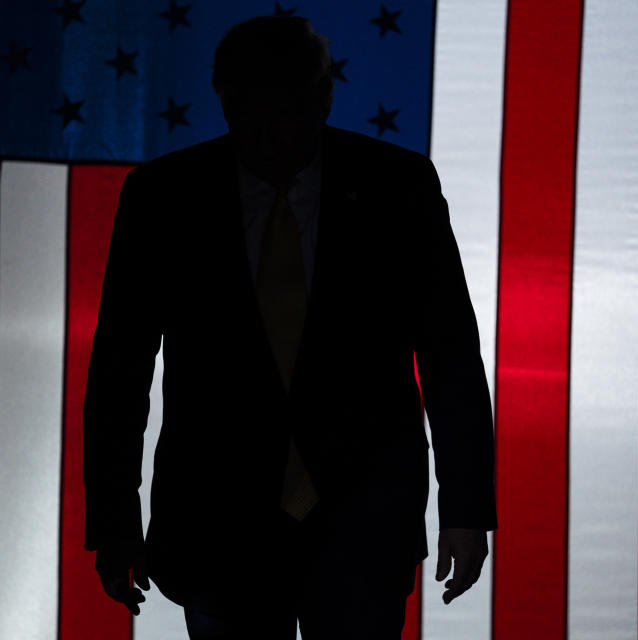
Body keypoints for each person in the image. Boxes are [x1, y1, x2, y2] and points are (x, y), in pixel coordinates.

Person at [82, 15, 498, 639]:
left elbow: (450, 355)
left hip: (363, 524)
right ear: (223, 98)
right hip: (220, 529)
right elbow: (120, 371)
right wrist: (114, 522)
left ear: (323, 97)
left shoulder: (399, 189)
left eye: (287, 107)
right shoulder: (163, 198)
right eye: (254, 108)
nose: (271, 131)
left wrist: (466, 508)